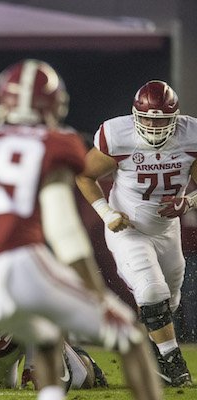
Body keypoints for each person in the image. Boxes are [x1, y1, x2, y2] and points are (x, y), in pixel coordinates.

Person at [0, 59, 162, 400]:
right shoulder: (55, 143)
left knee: (43, 334)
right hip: (18, 266)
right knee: (129, 335)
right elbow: (65, 232)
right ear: (55, 105)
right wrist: (97, 293)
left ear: (2, 102)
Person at [76, 80, 195, 387]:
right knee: (151, 291)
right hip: (128, 227)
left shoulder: (191, 135)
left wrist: (189, 202)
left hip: (167, 229)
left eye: (161, 121)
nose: (154, 127)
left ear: (176, 118)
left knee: (169, 300)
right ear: (134, 115)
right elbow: (85, 175)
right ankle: (173, 362)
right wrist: (106, 213)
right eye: (147, 119)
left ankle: (152, 356)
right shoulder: (117, 135)